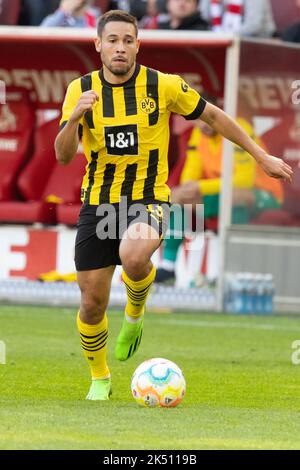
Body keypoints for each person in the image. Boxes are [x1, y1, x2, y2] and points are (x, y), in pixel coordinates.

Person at [54, 9, 292, 400]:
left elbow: (214, 116)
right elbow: (63, 156)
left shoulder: (162, 86)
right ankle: (100, 378)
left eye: (128, 41)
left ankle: (135, 310)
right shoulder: (80, 91)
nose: (120, 48)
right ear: (98, 44)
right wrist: (73, 119)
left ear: (137, 45)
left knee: (133, 256)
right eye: (112, 40)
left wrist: (261, 156)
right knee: (91, 305)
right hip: (97, 202)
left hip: (149, 196)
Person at [155, 116, 283, 284]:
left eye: (205, 119)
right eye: (197, 120)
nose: (202, 125)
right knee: (179, 196)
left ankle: (232, 268)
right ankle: (168, 266)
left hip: (263, 193)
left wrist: (200, 188)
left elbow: (244, 180)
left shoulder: (238, 128)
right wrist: (188, 188)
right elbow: (190, 173)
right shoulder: (198, 133)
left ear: (214, 115)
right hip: (221, 192)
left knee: (235, 197)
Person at [200, 0, 276, 37]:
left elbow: (254, 26)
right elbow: (204, 16)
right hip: (225, 41)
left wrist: (226, 37)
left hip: (257, 44)